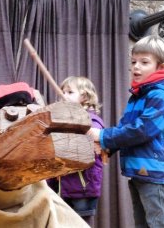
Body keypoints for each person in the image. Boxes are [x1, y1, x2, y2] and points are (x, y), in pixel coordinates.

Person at [88, 35, 164, 228]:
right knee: (142, 224)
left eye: (144, 62)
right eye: (133, 62)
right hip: (139, 170)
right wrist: (107, 148)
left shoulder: (161, 95)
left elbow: (141, 130)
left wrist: (103, 136)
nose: (136, 67)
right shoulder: (138, 96)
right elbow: (125, 128)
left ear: (161, 67)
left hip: (153, 171)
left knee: (158, 224)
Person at [47, 76, 104, 227]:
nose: (63, 95)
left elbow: (93, 148)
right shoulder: (62, 120)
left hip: (82, 187)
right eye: (63, 91)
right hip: (63, 186)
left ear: (84, 97)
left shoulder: (92, 120)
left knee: (81, 225)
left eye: (70, 92)